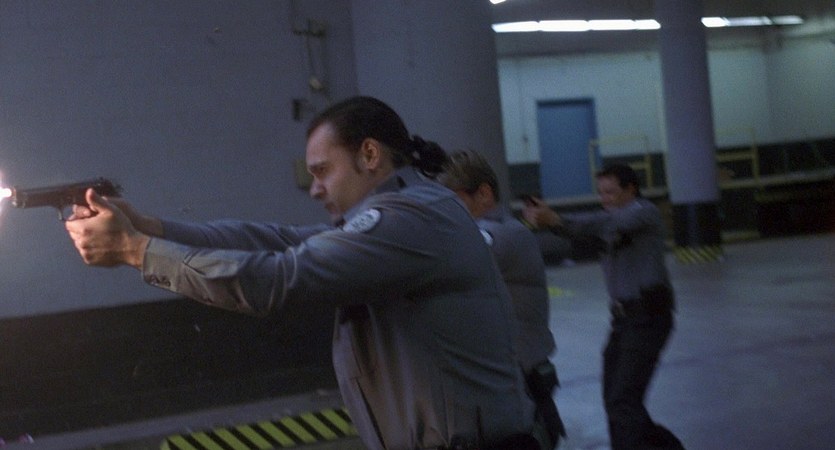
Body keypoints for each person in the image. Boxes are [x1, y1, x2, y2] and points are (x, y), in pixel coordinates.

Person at [65, 96, 546, 449]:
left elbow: (277, 279)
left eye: (322, 171)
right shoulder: (405, 214)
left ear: (370, 155)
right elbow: (278, 241)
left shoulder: (411, 218)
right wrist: (153, 229)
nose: (315, 189)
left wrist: (134, 250)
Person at [522, 164, 684, 450]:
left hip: (648, 317)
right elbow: (583, 232)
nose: (605, 199)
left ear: (631, 189)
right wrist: (550, 222)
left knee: (623, 401)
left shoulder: (643, 213)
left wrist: (555, 218)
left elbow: (608, 224)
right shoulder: (609, 221)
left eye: (611, 192)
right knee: (616, 400)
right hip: (623, 320)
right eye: (601, 193)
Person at [438, 150, 566, 449]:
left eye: (454, 201)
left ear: (483, 194)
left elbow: (447, 258)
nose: (447, 212)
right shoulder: (492, 232)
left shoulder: (501, 234)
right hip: (513, 382)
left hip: (522, 384)